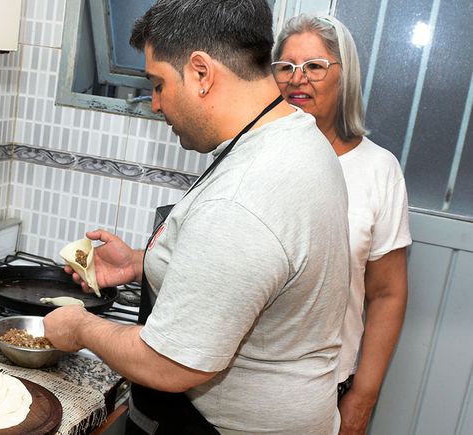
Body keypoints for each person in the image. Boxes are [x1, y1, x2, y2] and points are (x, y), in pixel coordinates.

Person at [43, 1, 351, 433]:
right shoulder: (296, 136)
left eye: (158, 84)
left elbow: (171, 363)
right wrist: (141, 262)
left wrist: (80, 327)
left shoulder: (243, 196)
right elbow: (258, 269)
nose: (154, 104)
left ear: (201, 73)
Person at [272, 14, 412, 435]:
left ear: (343, 76)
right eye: (286, 67)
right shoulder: (252, 155)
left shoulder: (378, 170)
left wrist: (362, 398)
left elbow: (387, 294)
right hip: (231, 384)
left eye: (314, 66)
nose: (298, 79)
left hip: (321, 394)